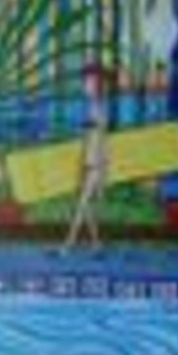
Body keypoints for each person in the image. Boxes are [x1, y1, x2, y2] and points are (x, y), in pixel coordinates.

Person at [62, 60, 112, 249]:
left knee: (82, 204)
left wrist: (103, 169)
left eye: (89, 82)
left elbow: (102, 139)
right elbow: (90, 138)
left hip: (96, 164)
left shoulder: (99, 107)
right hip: (89, 161)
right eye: (85, 82)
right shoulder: (93, 106)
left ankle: (68, 244)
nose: (85, 86)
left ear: (97, 83)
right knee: (86, 205)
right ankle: (97, 243)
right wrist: (83, 161)